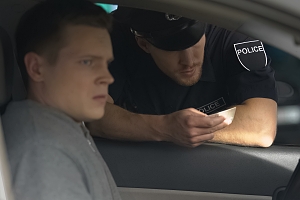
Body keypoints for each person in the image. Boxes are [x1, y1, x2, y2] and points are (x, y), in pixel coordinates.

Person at [88, 7, 278, 148]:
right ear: (144, 44)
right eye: (173, 49)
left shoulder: (232, 34)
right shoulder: (112, 36)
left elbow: (261, 125)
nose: (188, 61)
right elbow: (92, 115)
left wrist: (187, 130)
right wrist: (165, 128)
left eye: (195, 43)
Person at [2, 0, 121, 200]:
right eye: (87, 62)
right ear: (36, 68)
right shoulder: (42, 153)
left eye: (106, 63)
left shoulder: (61, 125)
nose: (107, 78)